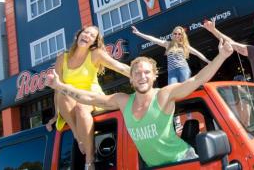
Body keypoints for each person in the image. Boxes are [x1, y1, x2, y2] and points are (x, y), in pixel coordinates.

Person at [45, 39, 233, 168]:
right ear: (131, 79)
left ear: (153, 76)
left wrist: (222, 56)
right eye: (137, 73)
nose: (142, 77)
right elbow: (89, 98)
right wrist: (59, 85)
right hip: (154, 167)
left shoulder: (164, 95)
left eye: (146, 73)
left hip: (184, 161)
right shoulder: (123, 101)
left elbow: (197, 80)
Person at [52, 26, 130, 170]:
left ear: (94, 42)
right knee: (63, 91)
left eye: (92, 35)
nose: (87, 35)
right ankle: (77, 136)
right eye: (86, 32)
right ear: (79, 34)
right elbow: (57, 87)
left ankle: (89, 161)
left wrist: (137, 75)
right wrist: (56, 114)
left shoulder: (95, 54)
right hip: (70, 101)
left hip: (91, 98)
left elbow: (119, 67)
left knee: (81, 107)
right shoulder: (62, 58)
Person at [132, 26, 209, 84]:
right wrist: (138, 33)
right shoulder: (167, 44)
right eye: (175, 33)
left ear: (182, 36)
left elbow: (197, 53)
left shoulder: (184, 46)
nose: (177, 35)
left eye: (179, 34)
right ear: (172, 34)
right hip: (172, 71)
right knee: (172, 89)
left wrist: (208, 61)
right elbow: (153, 39)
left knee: (186, 88)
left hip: (183, 69)